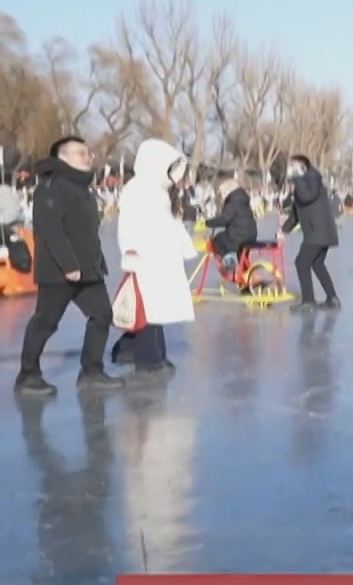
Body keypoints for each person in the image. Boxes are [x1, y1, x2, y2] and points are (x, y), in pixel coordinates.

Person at [16, 137, 121, 396]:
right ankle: (28, 375)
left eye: (88, 153)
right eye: (80, 153)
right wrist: (68, 265)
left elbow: (86, 231)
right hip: (59, 272)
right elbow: (51, 231)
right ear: (63, 158)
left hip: (89, 271)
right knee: (45, 322)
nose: (88, 158)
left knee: (102, 315)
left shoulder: (82, 188)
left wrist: (96, 263)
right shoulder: (50, 188)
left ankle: (91, 371)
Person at [112, 140, 200, 376]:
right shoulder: (137, 189)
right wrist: (129, 252)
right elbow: (128, 225)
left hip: (161, 259)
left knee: (156, 310)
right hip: (145, 259)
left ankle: (153, 354)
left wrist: (184, 247)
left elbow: (170, 224)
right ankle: (148, 359)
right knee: (148, 310)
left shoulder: (158, 192)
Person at [284, 154, 340, 309]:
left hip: (318, 232)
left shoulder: (312, 179)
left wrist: (297, 177)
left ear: (302, 167)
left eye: (293, 166)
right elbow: (296, 212)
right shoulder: (303, 184)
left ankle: (308, 301)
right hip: (318, 232)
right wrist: (283, 231)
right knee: (317, 263)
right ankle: (332, 298)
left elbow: (308, 197)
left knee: (302, 263)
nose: (290, 170)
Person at [205, 177, 258, 278]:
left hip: (239, 235)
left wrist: (209, 222)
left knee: (218, 239)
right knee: (242, 256)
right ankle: (248, 279)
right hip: (251, 234)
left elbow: (225, 218)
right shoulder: (242, 198)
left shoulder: (232, 200)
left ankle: (228, 261)